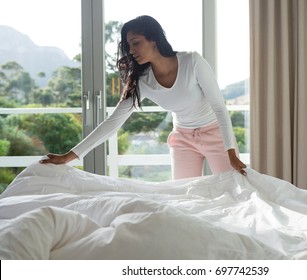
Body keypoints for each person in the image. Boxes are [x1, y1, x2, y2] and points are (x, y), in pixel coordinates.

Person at [40, 15, 247, 179]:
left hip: (215, 134)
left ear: (153, 39)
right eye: (128, 45)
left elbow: (220, 107)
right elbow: (113, 122)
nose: (131, 50)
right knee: (184, 199)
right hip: (183, 138)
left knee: (232, 192)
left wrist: (230, 152)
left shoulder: (192, 61)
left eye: (136, 42)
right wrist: (69, 156)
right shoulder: (141, 80)